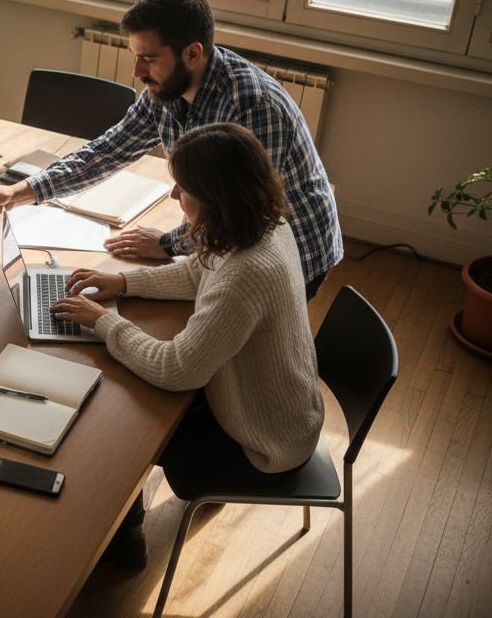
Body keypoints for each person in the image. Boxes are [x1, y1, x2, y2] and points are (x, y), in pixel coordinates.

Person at [50, 122, 325, 569]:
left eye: (183, 188)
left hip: (263, 446)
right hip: (284, 412)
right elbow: (199, 272)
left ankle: (122, 546)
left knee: (115, 420)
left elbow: (177, 368)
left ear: (215, 198)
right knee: (128, 383)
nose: (175, 197)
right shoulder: (266, 228)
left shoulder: (247, 272)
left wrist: (106, 323)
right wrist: (122, 281)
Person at [0, 0, 342, 298]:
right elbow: (108, 151)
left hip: (295, 250)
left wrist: (169, 244)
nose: (136, 72)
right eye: (136, 57)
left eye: (148, 58)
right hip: (228, 237)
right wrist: (21, 192)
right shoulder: (165, 90)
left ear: (192, 53)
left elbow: (245, 215)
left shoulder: (251, 107)